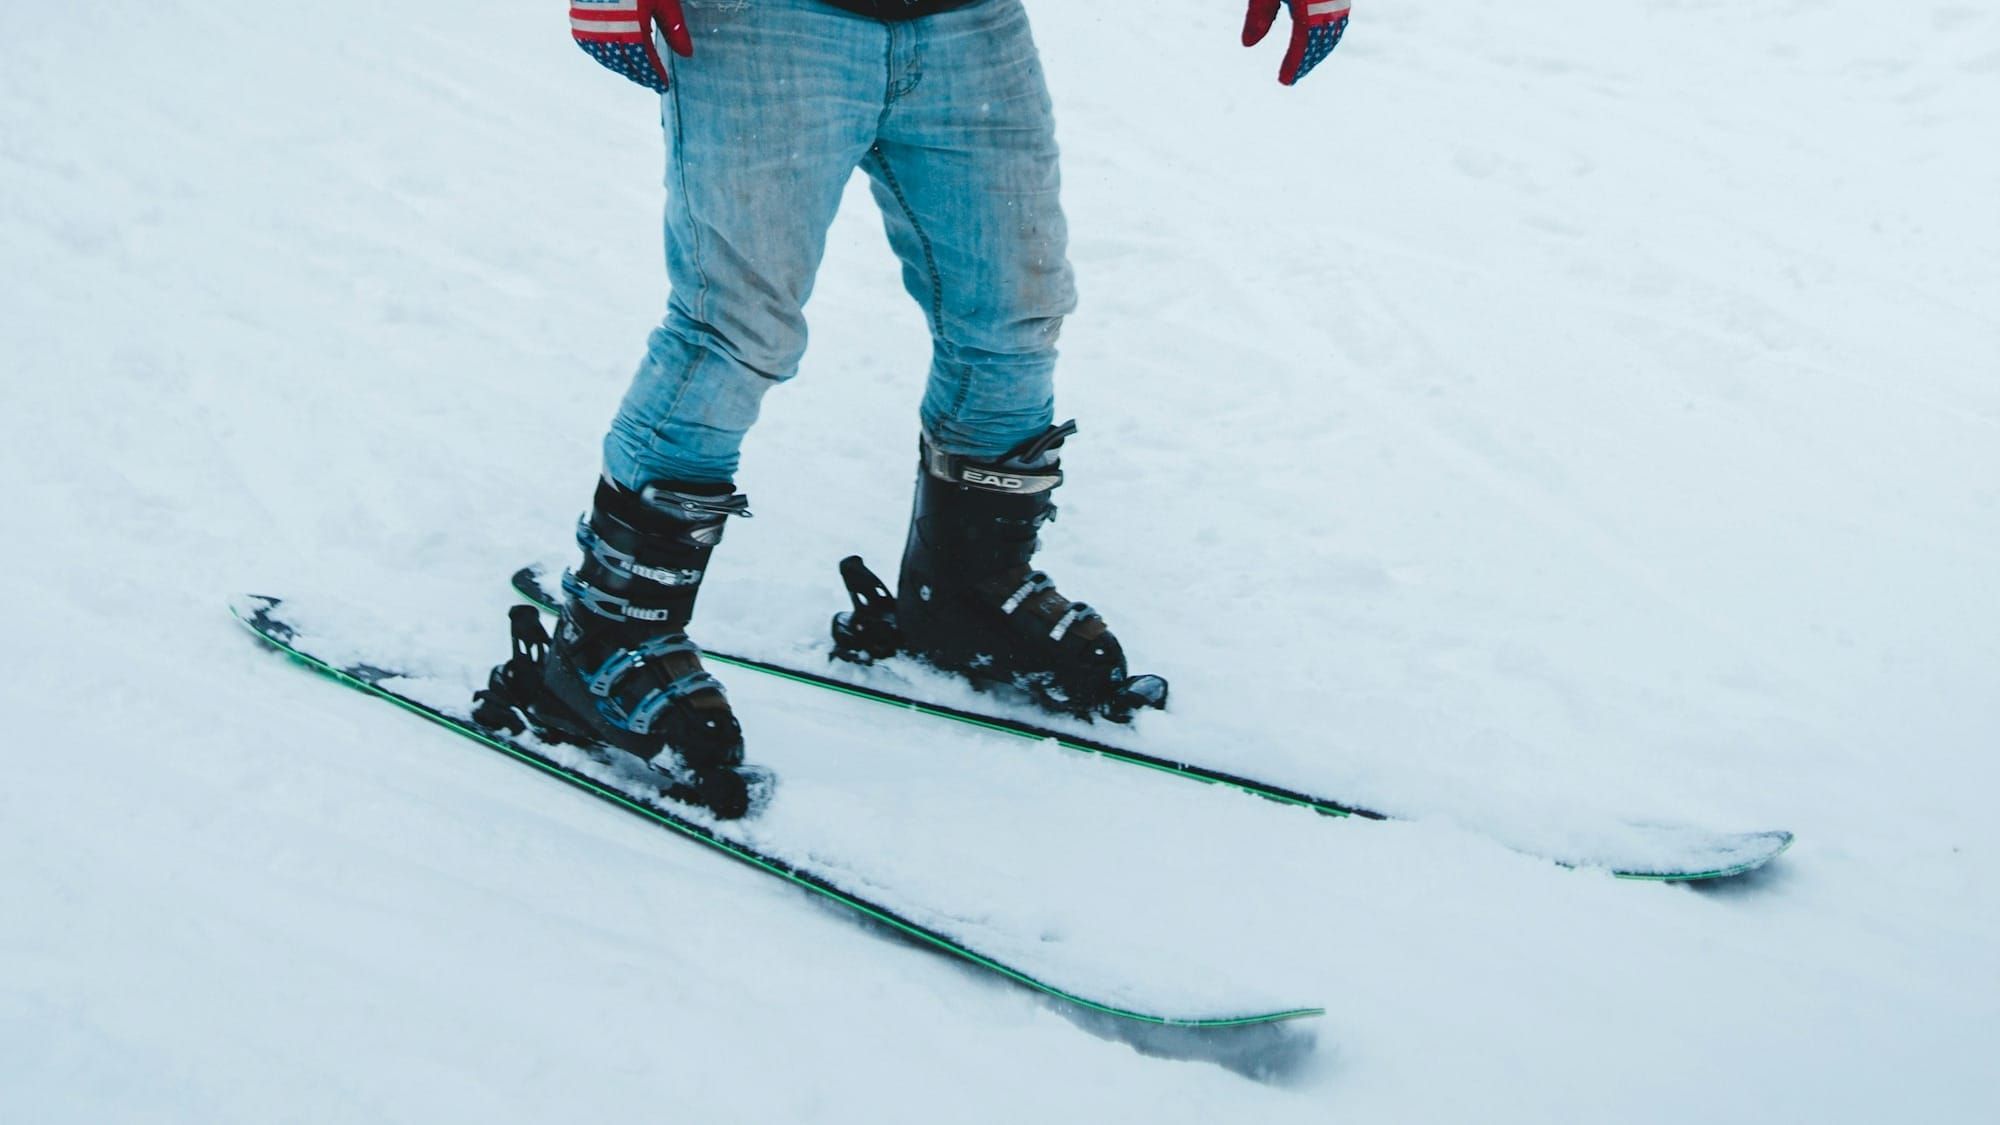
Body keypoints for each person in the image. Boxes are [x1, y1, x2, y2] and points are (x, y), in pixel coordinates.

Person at [535, 0, 1351, 816]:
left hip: (968, 21)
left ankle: (966, 596)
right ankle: (610, 635)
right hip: (765, 22)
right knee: (734, 330)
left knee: (1012, 312)